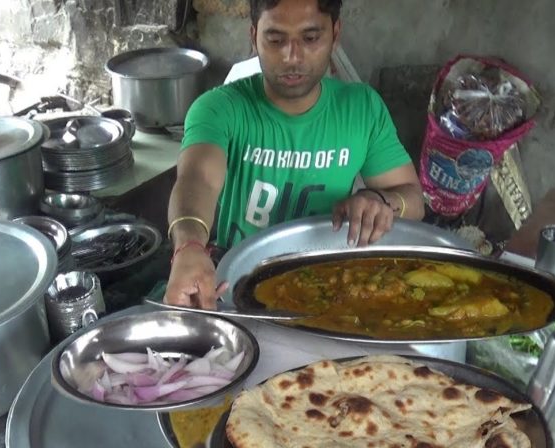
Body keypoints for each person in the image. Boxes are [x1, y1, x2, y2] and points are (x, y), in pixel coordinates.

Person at [164, 0, 425, 310]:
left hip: (334, 290)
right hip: (238, 286)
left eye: (310, 38)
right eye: (275, 40)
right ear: (254, 36)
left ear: (335, 33)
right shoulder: (220, 108)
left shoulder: (362, 109)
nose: (292, 57)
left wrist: (382, 203)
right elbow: (198, 179)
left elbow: (413, 200)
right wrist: (190, 246)